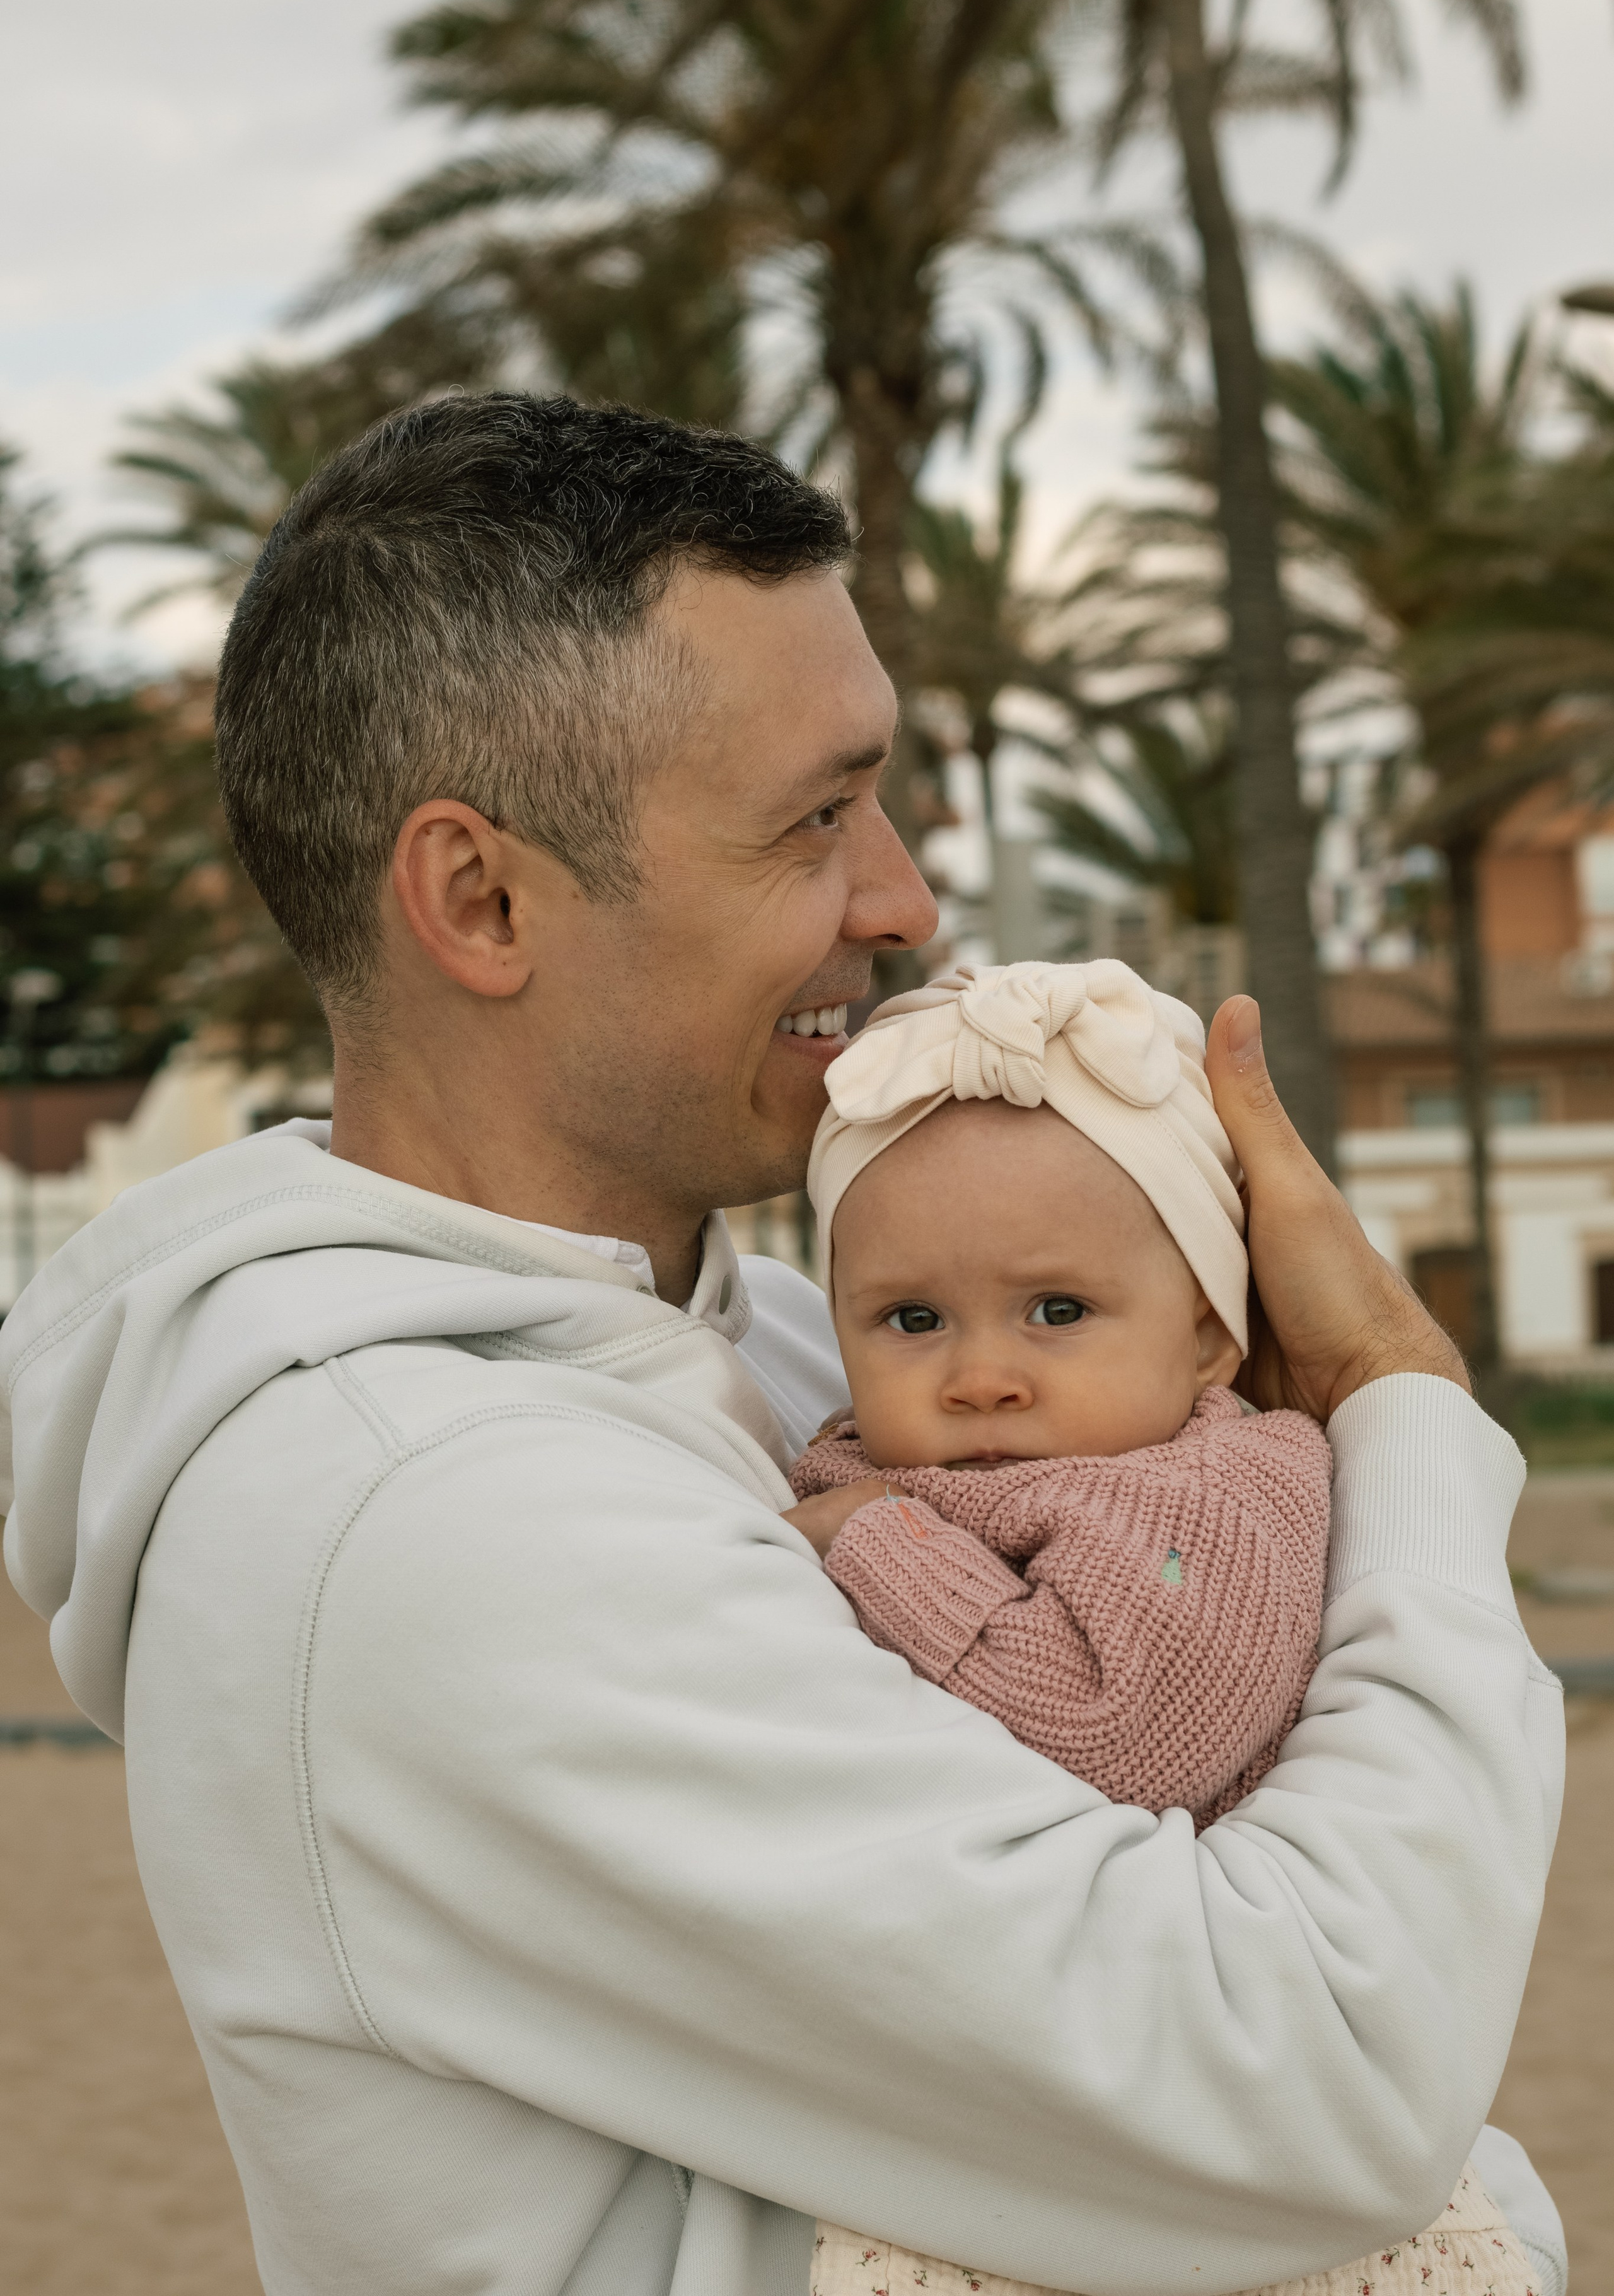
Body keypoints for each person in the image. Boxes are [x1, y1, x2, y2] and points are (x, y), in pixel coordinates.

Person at [0, 395, 1566, 2296]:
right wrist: (1400, 1416)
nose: (903, 901)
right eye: (818, 819)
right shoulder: (425, 1521)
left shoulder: (816, 1373)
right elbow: (1317, 2082)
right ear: (482, 898)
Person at [784, 957, 1538, 2296]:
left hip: (1230, 2165)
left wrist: (877, 1551)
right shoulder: (868, 1466)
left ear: (1204, 1336)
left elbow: (1124, 1731)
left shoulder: (1217, 1487)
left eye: (1057, 1311)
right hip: (1018, 2110)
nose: (979, 1376)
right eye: (910, 1320)